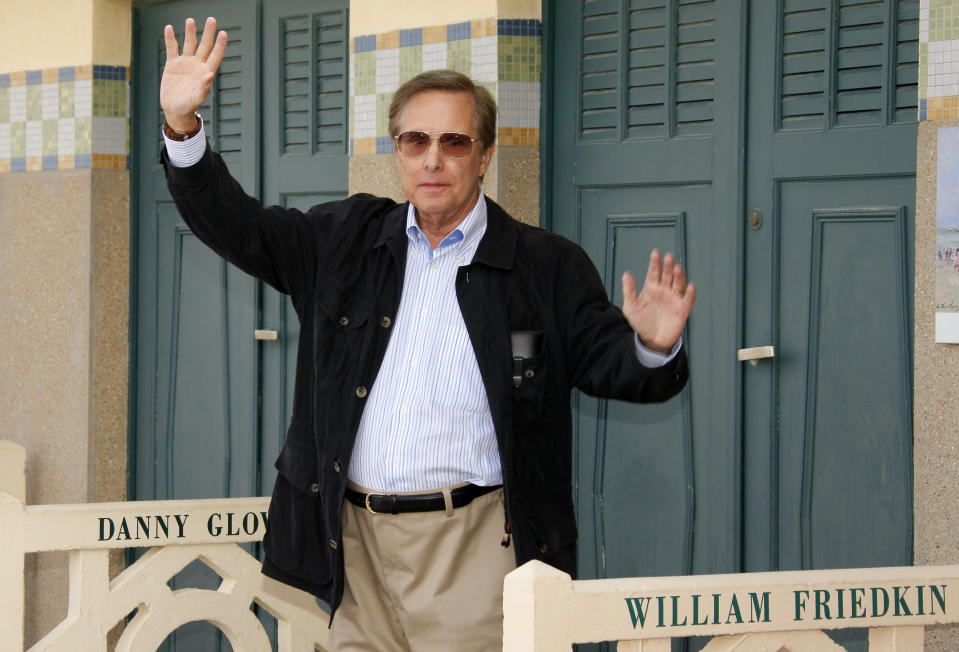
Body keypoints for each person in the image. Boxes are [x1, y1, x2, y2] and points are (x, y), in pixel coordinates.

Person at [160, 17, 696, 651]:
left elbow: (614, 364)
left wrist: (654, 346)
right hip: (352, 551)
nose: (433, 159)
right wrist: (183, 129)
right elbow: (237, 226)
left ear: (486, 154)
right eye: (415, 140)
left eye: (454, 142)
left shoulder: (544, 265)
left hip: (474, 550)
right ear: (397, 150)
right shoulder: (344, 241)